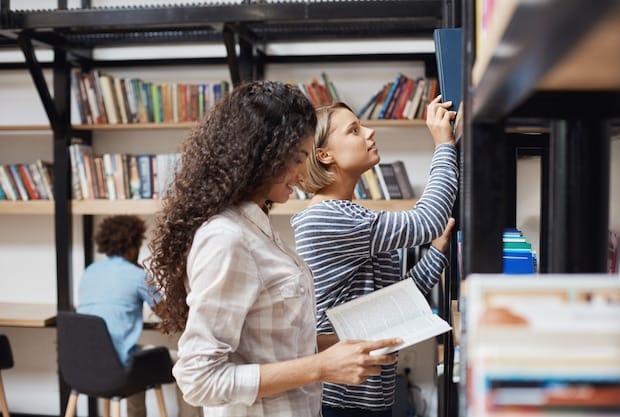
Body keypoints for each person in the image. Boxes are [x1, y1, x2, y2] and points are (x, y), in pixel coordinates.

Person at [145, 80, 402, 417]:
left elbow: (268, 343)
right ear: (261, 156)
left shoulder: (257, 228)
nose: (302, 172)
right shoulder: (227, 239)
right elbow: (198, 379)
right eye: (298, 158)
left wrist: (338, 348)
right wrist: (321, 367)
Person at [290, 96, 459, 417]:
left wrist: (438, 248)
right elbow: (428, 221)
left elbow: (400, 301)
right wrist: (443, 143)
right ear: (324, 154)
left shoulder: (351, 214)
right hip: (340, 399)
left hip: (371, 395)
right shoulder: (327, 218)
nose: (369, 132)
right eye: (354, 130)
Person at [76, 214, 201, 417]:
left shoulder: (90, 271)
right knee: (184, 363)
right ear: (133, 246)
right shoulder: (137, 276)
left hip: (86, 363)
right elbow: (169, 315)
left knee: (135, 357)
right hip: (119, 364)